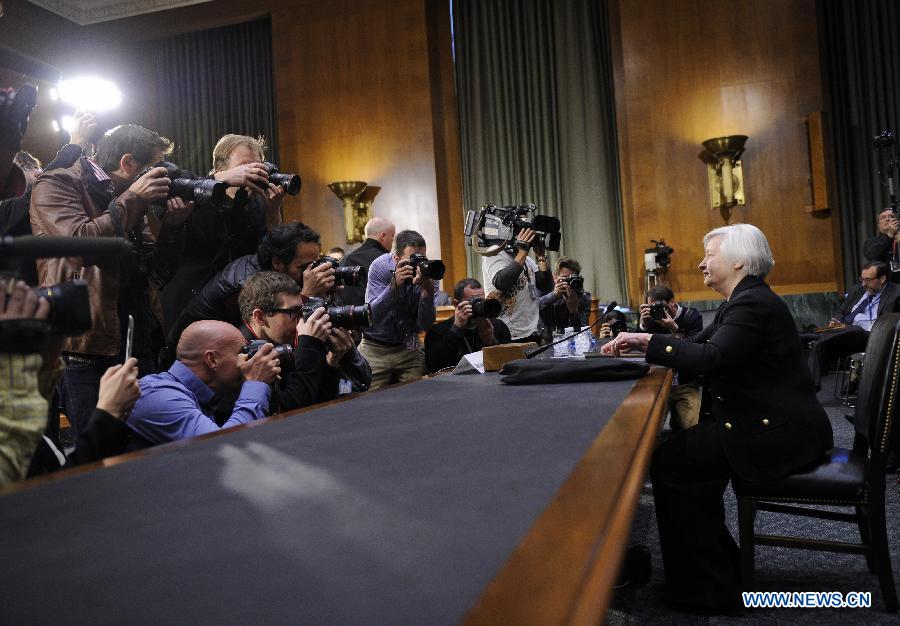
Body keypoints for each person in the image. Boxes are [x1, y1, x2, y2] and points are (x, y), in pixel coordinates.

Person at [602, 223, 833, 614]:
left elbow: (712, 359)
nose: (701, 263)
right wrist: (646, 340)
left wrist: (654, 345)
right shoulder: (742, 301)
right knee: (677, 455)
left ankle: (709, 588)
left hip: (776, 433)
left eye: (710, 255)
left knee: (672, 462)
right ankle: (717, 571)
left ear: (739, 259)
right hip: (764, 421)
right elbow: (699, 346)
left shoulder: (751, 304)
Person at [30, 124, 194, 438]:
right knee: (99, 453)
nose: (160, 177)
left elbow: (158, 273)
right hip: (85, 349)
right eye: (154, 168)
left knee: (146, 446)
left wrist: (173, 228)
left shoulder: (129, 199)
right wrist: (132, 199)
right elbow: (79, 246)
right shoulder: (58, 182)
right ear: (128, 163)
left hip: (138, 343)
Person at [161, 221, 334, 366]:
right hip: (192, 362)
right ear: (278, 263)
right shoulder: (244, 287)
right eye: (304, 267)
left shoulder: (267, 268)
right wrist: (308, 295)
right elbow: (252, 344)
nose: (311, 273)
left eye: (315, 265)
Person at [160, 134, 286, 326]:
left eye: (258, 166)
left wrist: (273, 212)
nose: (253, 172)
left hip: (238, 306)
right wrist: (222, 180)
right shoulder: (196, 190)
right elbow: (168, 186)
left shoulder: (258, 205)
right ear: (221, 167)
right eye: (245, 166)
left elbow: (275, 256)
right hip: (191, 303)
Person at [127, 320, 281, 449]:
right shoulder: (158, 396)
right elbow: (225, 448)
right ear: (212, 360)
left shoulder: (199, 395)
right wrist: (255, 383)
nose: (247, 360)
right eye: (241, 352)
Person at [238, 271, 371, 412]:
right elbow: (291, 410)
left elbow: (316, 400)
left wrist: (330, 365)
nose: (302, 320)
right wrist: (309, 344)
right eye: (293, 312)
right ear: (260, 317)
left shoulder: (279, 340)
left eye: (302, 311)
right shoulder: (245, 357)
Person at [358, 230, 436, 389]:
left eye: (421, 259)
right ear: (396, 258)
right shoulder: (380, 266)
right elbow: (373, 315)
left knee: (420, 395)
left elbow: (425, 324)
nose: (418, 265)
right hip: (375, 349)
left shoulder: (428, 271)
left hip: (409, 347)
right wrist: (393, 286)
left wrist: (428, 292)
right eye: (412, 260)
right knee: (368, 402)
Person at [807, 261, 900, 390]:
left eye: (868, 280)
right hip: (849, 335)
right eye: (862, 279)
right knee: (818, 345)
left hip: (874, 337)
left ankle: (814, 335)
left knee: (854, 329)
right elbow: (842, 312)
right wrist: (836, 321)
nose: (863, 284)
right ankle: (811, 390)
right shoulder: (857, 290)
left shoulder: (896, 293)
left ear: (882, 279)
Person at [639, 284, 705, 429]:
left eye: (660, 306)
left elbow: (695, 350)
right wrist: (643, 324)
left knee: (694, 426)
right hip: (657, 384)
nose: (657, 311)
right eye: (652, 307)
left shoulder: (691, 317)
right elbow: (639, 350)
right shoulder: (651, 319)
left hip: (685, 384)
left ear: (672, 302)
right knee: (647, 427)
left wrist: (674, 328)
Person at [424, 278, 511, 373]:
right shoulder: (437, 331)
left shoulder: (497, 326)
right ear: (456, 304)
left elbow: (508, 363)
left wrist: (490, 341)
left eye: (481, 301)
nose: (480, 306)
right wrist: (456, 329)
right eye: (473, 301)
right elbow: (434, 366)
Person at [482, 228, 553, 342]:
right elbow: (502, 283)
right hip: (510, 333)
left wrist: (541, 256)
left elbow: (546, 286)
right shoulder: (494, 253)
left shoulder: (527, 260)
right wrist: (523, 251)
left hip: (533, 331)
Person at [337, 216, 396, 305]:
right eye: (392, 236)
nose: (393, 240)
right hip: (375, 316)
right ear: (382, 235)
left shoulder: (344, 259)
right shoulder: (386, 261)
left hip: (345, 316)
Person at [538, 256, 592, 335]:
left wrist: (574, 311)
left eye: (572, 278)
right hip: (548, 341)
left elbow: (582, 333)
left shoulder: (583, 297)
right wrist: (554, 295)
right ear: (555, 277)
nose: (569, 283)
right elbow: (536, 307)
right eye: (565, 278)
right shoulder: (546, 292)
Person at [863, 208, 899, 280]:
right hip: (885, 285)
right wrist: (889, 235)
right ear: (879, 225)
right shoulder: (871, 242)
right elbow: (872, 255)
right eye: (883, 217)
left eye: (891, 216)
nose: (887, 219)